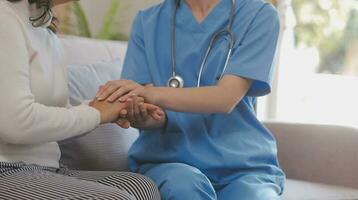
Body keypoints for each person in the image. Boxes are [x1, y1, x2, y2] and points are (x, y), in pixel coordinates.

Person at [96, 0, 286, 199]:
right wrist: (142, 115)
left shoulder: (258, 15)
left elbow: (225, 98)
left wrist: (150, 93)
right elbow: (155, 115)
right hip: (168, 161)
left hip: (242, 164)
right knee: (184, 187)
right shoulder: (147, 22)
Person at [0, 0, 163, 199]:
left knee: (142, 187)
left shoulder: (44, 27)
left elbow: (56, 112)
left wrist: (111, 107)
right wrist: (96, 113)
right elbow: (16, 124)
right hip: (5, 168)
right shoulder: (4, 16)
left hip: (44, 167)